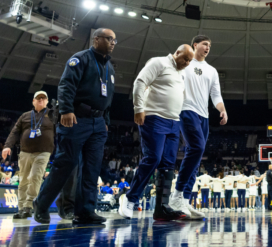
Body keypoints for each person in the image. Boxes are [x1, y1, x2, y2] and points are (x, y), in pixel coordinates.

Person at [33, 28, 116, 224]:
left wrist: (106, 121)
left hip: (98, 123)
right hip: (77, 118)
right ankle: (42, 204)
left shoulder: (109, 67)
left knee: (92, 168)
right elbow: (66, 85)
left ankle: (85, 211)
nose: (113, 43)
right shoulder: (80, 59)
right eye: (109, 39)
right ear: (96, 39)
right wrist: (67, 110)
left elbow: (109, 97)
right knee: (66, 164)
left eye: (115, 40)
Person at [118, 44, 194, 221]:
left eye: (190, 60)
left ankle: (162, 207)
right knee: (153, 158)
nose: (187, 63)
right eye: (185, 58)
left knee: (168, 165)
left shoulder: (180, 73)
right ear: (177, 53)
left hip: (173, 122)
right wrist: (138, 108)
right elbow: (140, 82)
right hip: (153, 118)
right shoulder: (158, 63)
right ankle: (130, 199)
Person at [170, 35, 227, 220]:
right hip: (186, 109)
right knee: (197, 148)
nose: (208, 47)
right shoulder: (185, 63)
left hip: (204, 115)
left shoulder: (212, 70)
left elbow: (216, 95)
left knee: (196, 156)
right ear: (195, 45)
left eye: (210, 45)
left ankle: (185, 200)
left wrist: (222, 110)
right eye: (205, 44)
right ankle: (177, 195)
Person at [2, 91, 54, 220]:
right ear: (33, 101)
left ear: (47, 101)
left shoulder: (53, 115)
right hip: (25, 152)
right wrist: (7, 145)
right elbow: (14, 131)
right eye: (38, 98)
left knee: (36, 176)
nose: (41, 100)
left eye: (43, 98)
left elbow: (64, 127)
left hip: (43, 152)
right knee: (24, 180)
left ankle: (29, 206)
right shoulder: (25, 116)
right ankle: (21, 209)